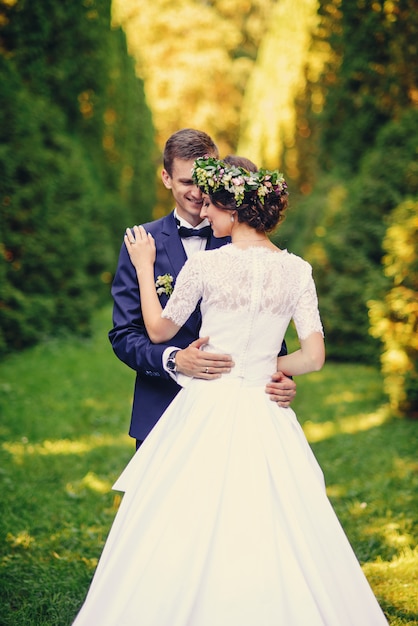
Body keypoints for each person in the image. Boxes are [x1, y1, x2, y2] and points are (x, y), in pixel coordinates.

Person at [73, 157, 388, 625]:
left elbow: (158, 330)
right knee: (274, 512)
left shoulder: (207, 266)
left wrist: (144, 268)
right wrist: (264, 365)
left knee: (185, 511)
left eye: (214, 207)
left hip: (209, 404)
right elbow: (314, 356)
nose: (205, 213)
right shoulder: (298, 270)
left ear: (234, 211)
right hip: (264, 407)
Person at [108, 129, 296, 447]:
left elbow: (266, 330)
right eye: (185, 182)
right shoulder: (140, 244)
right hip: (161, 410)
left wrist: (283, 379)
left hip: (234, 416)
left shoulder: (245, 240)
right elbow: (124, 334)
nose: (196, 193)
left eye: (202, 182)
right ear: (166, 177)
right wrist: (173, 359)